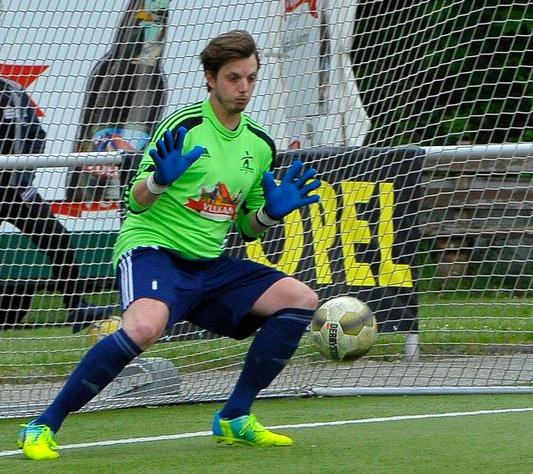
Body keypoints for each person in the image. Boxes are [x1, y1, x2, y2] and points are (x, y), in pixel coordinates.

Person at [17, 30, 323, 460]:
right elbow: (135, 203)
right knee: (144, 327)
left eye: (252, 78)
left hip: (208, 264)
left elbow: (249, 229)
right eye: (234, 78)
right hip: (153, 249)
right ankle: (42, 425)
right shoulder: (183, 127)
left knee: (300, 298)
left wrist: (272, 213)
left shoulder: (260, 143)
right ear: (210, 78)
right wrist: (160, 180)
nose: (244, 88)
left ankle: (235, 417)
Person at [0, 38, 114, 350]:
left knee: (57, 239)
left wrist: (25, 174)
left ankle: (77, 307)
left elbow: (37, 135)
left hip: (17, 192)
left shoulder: (13, 93)